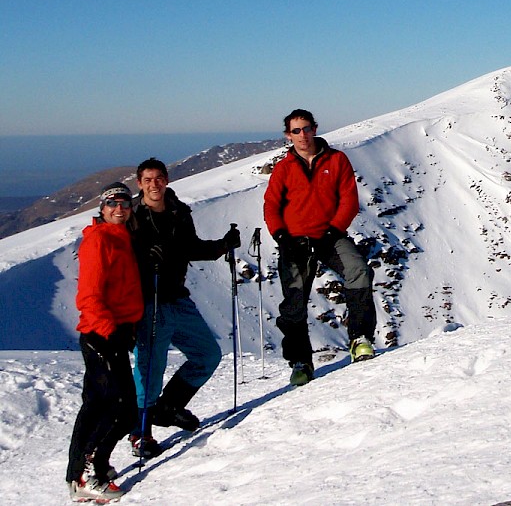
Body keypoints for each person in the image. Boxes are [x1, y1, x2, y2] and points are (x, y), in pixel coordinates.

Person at [128, 158, 240, 458]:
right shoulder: (133, 217)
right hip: (149, 301)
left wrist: (222, 246)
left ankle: (168, 407)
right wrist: (143, 259)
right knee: (150, 367)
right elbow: (121, 258)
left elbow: (190, 247)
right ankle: (141, 431)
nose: (155, 184)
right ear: (139, 183)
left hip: (177, 298)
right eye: (148, 179)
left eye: (159, 178)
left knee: (207, 355)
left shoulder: (178, 211)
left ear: (166, 180)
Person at [264, 108, 377, 386]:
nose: (302, 135)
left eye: (306, 128)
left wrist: (333, 231)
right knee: (294, 301)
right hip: (295, 241)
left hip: (329, 236)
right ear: (287, 136)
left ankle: (360, 338)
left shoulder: (336, 160)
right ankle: (301, 361)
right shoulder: (284, 168)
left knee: (358, 271)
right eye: (296, 131)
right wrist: (281, 236)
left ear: (315, 128)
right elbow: (271, 205)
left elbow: (349, 199)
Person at [66, 182, 144, 503]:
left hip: (113, 333)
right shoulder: (99, 241)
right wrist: (109, 333)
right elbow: (89, 296)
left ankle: (81, 472)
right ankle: (88, 475)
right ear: (102, 207)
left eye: (124, 203)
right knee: (119, 408)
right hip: (102, 335)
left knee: (99, 405)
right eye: (112, 203)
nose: (119, 208)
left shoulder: (121, 238)